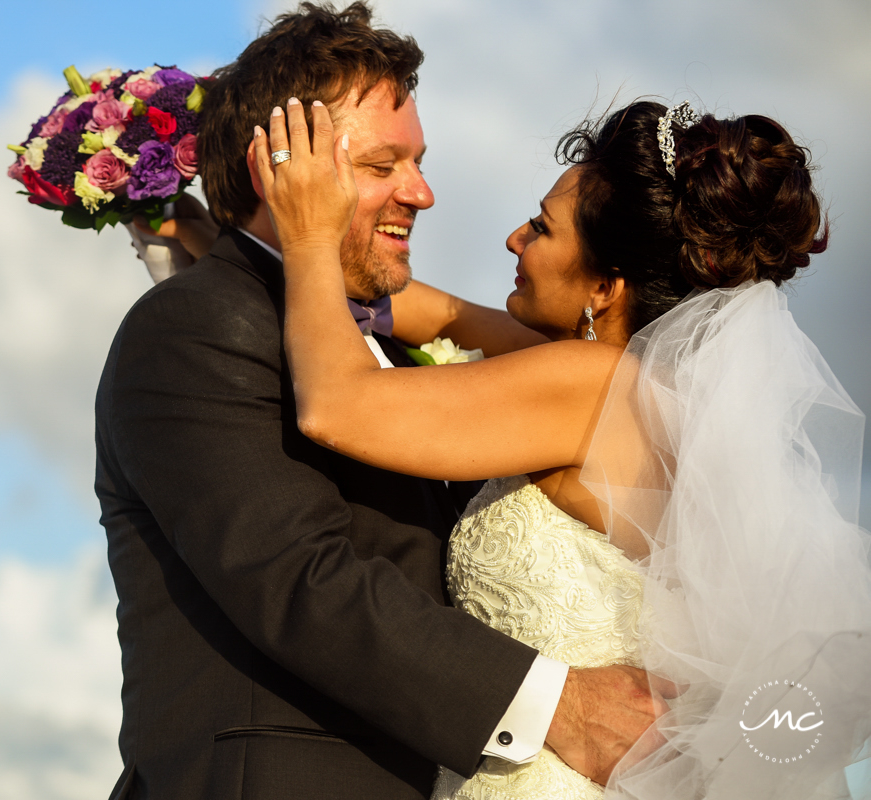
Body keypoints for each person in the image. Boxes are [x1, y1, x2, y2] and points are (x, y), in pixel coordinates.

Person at [94, 4, 672, 799]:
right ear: (282, 174)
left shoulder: (378, 348)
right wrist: (562, 704)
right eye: (380, 167)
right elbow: (299, 577)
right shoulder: (191, 326)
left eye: (418, 161)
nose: (423, 192)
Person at [254, 89, 871, 798]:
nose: (514, 240)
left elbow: (338, 406)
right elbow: (443, 314)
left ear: (606, 287)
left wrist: (304, 231)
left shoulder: (585, 384)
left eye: (540, 229)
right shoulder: (644, 391)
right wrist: (226, 244)